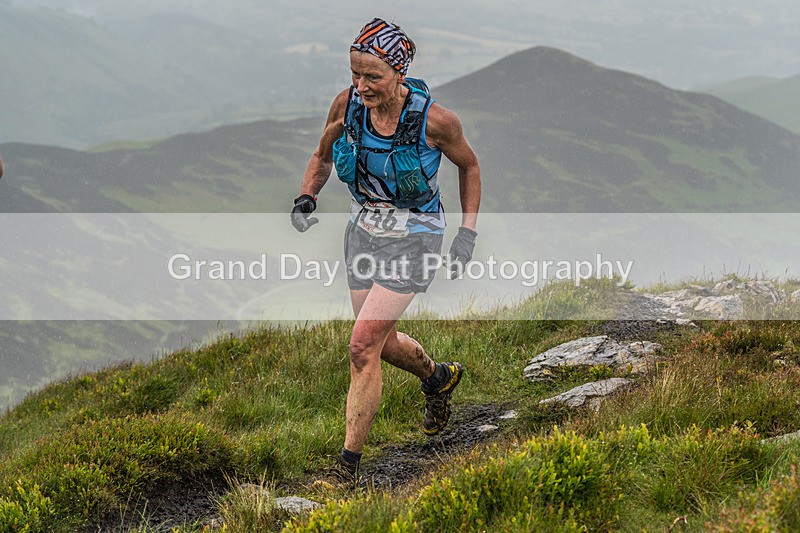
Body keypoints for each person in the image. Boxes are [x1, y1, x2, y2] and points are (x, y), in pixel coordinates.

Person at [290, 17, 481, 488]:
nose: (361, 86)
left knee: (361, 345)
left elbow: (470, 166)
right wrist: (307, 195)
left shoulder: (435, 121)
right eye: (355, 74)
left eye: (372, 76)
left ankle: (346, 469)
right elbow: (322, 154)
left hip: (417, 236)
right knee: (381, 342)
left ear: (399, 71)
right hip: (364, 232)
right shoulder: (347, 105)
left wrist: (467, 233)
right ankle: (437, 378)